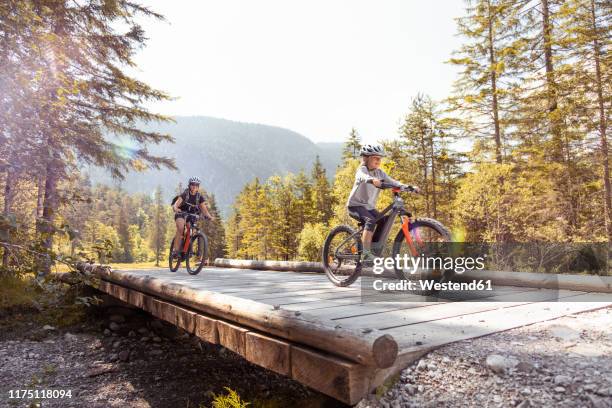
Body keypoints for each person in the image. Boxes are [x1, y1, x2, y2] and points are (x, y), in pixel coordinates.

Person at [346, 143, 418, 262]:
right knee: (370, 221)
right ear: (367, 158)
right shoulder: (362, 169)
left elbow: (393, 182)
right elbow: (361, 176)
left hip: (368, 207)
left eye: (380, 159)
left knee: (384, 221)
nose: (379, 161)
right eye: (376, 158)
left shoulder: (380, 173)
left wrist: (408, 187)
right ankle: (366, 253)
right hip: (355, 206)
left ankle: (373, 248)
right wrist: (371, 180)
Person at [171, 176, 214, 257]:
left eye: (196, 185)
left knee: (191, 231)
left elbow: (204, 209)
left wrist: (209, 217)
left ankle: (186, 250)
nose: (194, 186)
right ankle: (175, 250)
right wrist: (176, 208)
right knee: (180, 228)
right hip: (181, 213)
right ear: (189, 185)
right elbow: (176, 203)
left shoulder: (199, 197)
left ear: (198, 187)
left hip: (191, 215)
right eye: (193, 184)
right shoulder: (185, 194)